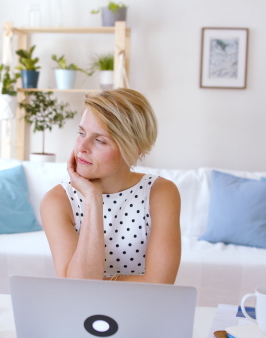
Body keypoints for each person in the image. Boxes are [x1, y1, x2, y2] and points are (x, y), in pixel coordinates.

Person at [40, 88, 181, 283]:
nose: (81, 147)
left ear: (134, 149)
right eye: (81, 133)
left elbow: (160, 284)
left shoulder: (161, 193)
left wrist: (99, 283)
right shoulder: (57, 201)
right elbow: (78, 288)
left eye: (99, 140)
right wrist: (92, 199)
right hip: (80, 313)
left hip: (144, 312)